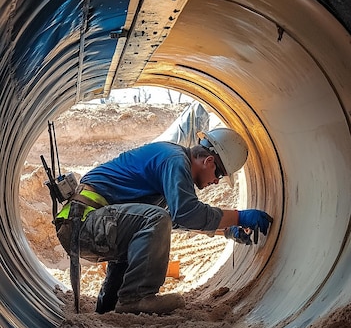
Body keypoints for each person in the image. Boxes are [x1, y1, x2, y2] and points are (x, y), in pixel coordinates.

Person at [54, 127, 273, 315]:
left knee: (147, 230)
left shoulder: (170, 159)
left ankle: (108, 307)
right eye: (220, 176)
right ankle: (135, 297)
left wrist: (228, 230)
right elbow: (185, 213)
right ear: (208, 161)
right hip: (84, 223)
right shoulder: (175, 160)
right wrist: (239, 216)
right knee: (156, 219)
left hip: (85, 225)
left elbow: (177, 220)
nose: (216, 182)